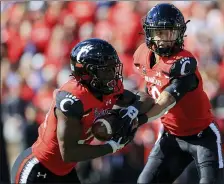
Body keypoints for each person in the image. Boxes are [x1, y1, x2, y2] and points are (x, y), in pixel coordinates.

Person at [10, 38, 140, 184]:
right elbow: (69, 153)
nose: (112, 74)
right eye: (106, 70)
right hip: (39, 168)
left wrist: (132, 113)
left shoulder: (108, 89)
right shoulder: (73, 99)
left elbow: (140, 99)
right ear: (87, 73)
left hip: (65, 172)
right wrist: (112, 146)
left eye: (113, 68)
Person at [133, 3, 224, 184]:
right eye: (160, 33)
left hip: (202, 137)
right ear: (150, 33)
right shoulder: (143, 56)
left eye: (171, 33)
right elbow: (150, 89)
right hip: (171, 135)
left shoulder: (183, 63)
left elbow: (165, 101)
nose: (166, 39)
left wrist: (138, 120)